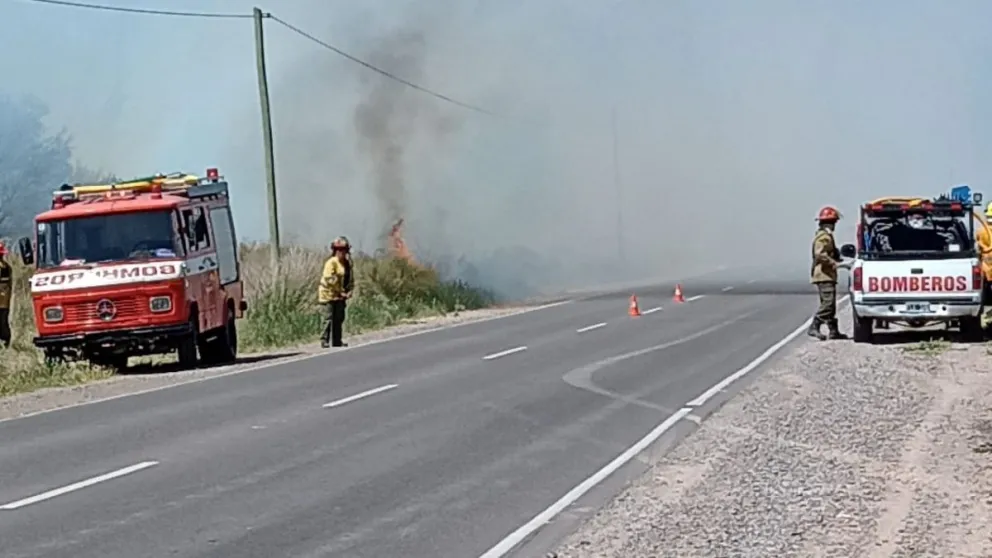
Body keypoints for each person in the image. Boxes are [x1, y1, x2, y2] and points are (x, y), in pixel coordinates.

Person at [808, 206, 849, 341]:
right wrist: (833, 263)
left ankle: (833, 331)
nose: (835, 225)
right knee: (828, 304)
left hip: (827, 275)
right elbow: (819, 254)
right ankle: (814, 326)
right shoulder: (824, 237)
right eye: (833, 222)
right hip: (824, 275)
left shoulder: (826, 236)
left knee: (830, 305)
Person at [318, 236, 354, 348]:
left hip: (339, 296)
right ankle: (324, 340)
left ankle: (337, 340)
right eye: (339, 250)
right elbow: (329, 279)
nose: (341, 252)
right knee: (327, 318)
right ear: (334, 250)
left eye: (343, 249)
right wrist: (339, 291)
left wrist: (349, 290)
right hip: (327, 295)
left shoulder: (346, 263)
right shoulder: (331, 263)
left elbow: (350, 278)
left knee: (339, 318)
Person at [0, 242, 12, 348]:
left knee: (3, 323)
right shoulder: (7, 267)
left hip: (3, 301)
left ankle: (5, 342)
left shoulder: (4, 267)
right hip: (5, 301)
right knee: (3, 322)